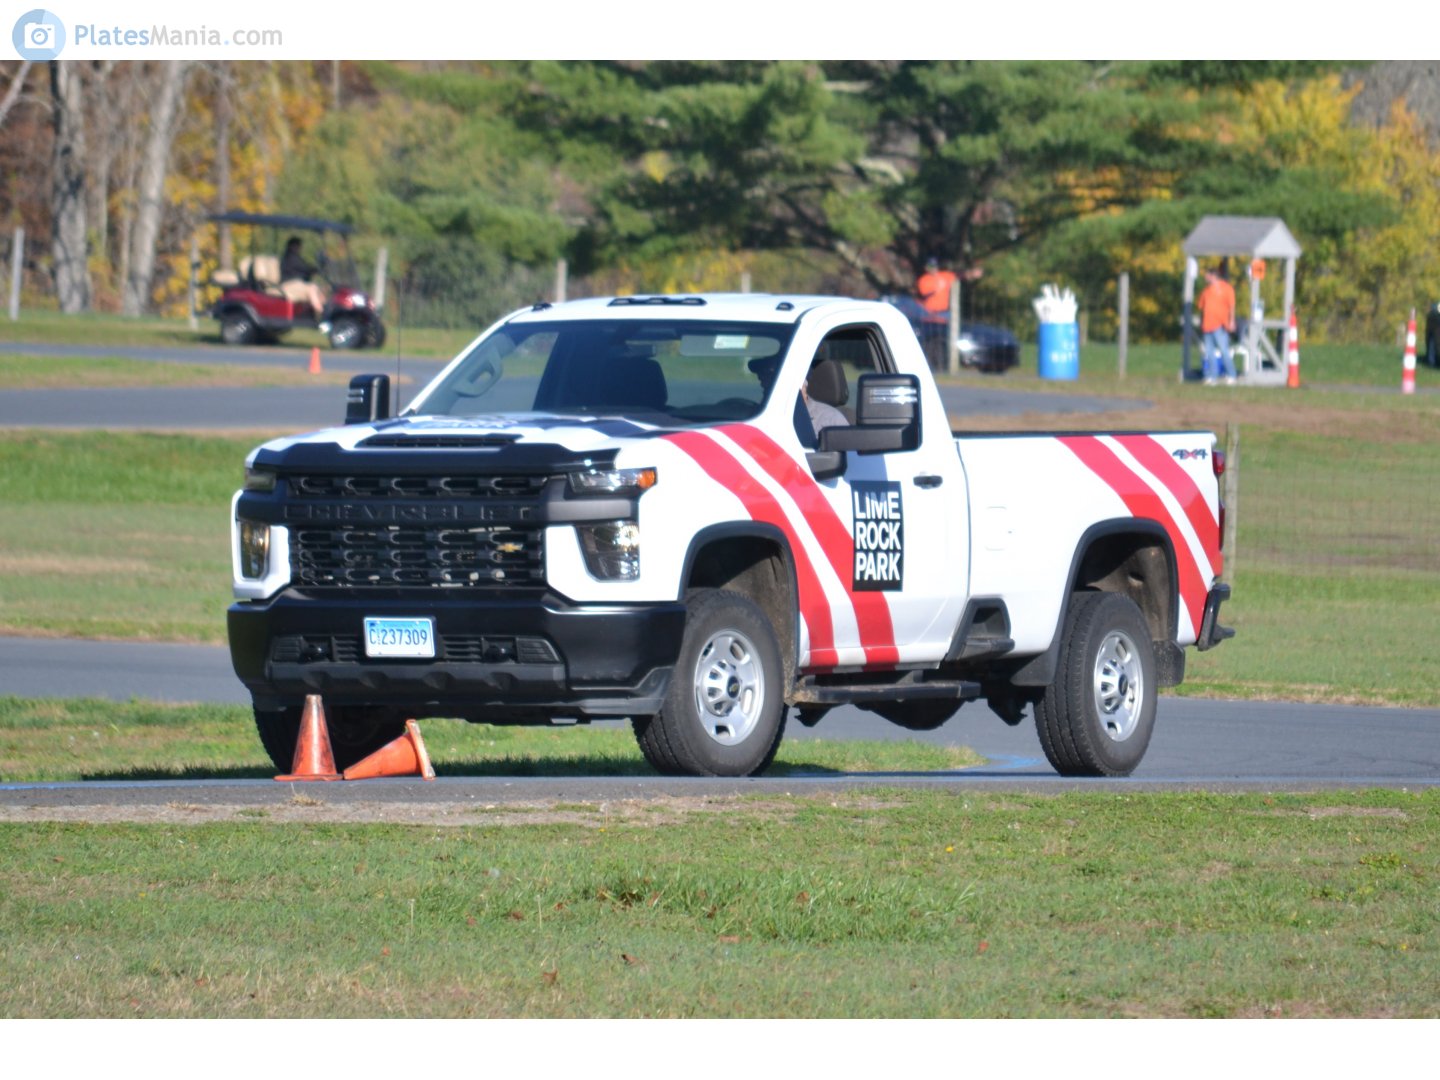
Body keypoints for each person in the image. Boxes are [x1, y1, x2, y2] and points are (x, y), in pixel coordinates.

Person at [1197, 261, 1237, 385]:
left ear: (1213, 276)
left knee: (1224, 350)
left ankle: (1231, 374)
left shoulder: (1226, 288)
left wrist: (1231, 321)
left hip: (1220, 325)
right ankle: (1212, 376)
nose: (1205, 277)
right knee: (1209, 352)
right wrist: (1201, 322)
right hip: (1207, 325)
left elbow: (1231, 306)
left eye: (1207, 275)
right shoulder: (1206, 291)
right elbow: (1201, 307)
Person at [280, 236, 326, 315]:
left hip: (297, 284)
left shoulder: (296, 258)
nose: (299, 248)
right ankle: (322, 314)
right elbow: (306, 268)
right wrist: (316, 269)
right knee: (312, 288)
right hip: (288, 285)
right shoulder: (290, 258)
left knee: (320, 289)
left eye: (299, 246)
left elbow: (305, 269)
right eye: (297, 245)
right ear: (291, 246)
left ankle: (321, 311)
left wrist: (316, 269)